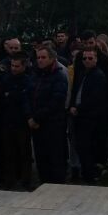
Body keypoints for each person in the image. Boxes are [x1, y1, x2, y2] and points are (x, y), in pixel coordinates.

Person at [29, 46, 69, 184]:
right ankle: (43, 182)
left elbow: (56, 102)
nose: (40, 60)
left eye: (43, 57)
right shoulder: (36, 74)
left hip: (52, 124)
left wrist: (37, 117)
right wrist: (30, 116)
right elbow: (29, 96)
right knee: (41, 157)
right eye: (38, 57)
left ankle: (56, 185)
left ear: (52, 59)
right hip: (36, 124)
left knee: (54, 157)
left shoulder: (59, 76)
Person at [68, 46, 108, 183]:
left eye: (90, 58)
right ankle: (86, 174)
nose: (87, 60)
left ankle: (90, 176)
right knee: (81, 147)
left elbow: (94, 99)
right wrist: (73, 105)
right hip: (79, 116)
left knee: (87, 148)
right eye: (84, 58)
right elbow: (75, 92)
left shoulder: (99, 75)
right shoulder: (82, 73)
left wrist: (78, 108)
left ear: (96, 59)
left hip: (90, 118)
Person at [0, 54, 33, 189]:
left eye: (17, 66)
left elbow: (24, 99)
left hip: (22, 122)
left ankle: (26, 181)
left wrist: (12, 95)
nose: (14, 68)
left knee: (24, 153)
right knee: (8, 153)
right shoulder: (6, 80)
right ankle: (9, 181)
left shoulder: (28, 81)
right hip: (7, 121)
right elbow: (2, 100)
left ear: (23, 66)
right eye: (12, 65)